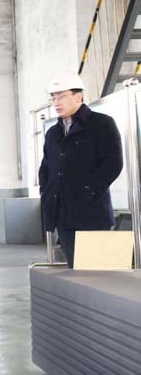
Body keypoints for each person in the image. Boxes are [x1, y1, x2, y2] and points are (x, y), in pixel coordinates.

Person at [39, 72, 123, 268]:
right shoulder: (53, 133)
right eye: (53, 98)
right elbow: (46, 167)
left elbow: (113, 163)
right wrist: (46, 192)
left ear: (78, 96)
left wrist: (88, 191)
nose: (56, 102)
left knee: (96, 272)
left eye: (61, 96)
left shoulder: (102, 124)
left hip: (91, 213)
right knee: (75, 271)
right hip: (62, 215)